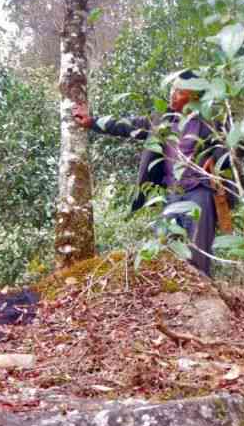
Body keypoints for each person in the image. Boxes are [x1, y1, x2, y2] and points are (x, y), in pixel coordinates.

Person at [72, 71, 233, 276]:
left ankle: (204, 300)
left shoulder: (209, 121)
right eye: (172, 89)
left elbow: (233, 143)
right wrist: (92, 121)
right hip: (172, 193)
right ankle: (175, 295)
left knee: (199, 253)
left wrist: (217, 157)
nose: (172, 95)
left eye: (179, 92)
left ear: (193, 97)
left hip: (200, 193)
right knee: (163, 247)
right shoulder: (161, 119)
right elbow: (127, 125)